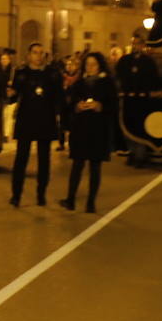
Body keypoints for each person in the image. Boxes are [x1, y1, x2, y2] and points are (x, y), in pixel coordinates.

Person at [58, 53, 117, 213]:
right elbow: (68, 103)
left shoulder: (107, 84)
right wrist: (77, 106)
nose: (90, 67)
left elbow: (114, 106)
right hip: (81, 128)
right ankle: (70, 199)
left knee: (95, 166)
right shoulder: (79, 83)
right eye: (88, 64)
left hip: (98, 129)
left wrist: (100, 106)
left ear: (100, 66)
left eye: (94, 64)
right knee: (77, 165)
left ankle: (91, 202)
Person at [9, 42, 63, 208]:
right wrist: (10, 94)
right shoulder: (21, 72)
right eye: (35, 52)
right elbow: (13, 96)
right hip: (26, 119)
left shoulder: (52, 74)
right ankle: (16, 194)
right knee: (21, 158)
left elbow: (58, 96)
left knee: (44, 159)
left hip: (45, 119)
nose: (38, 56)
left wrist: (60, 115)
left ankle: (41, 194)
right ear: (29, 55)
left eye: (41, 53)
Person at [116, 36, 160, 166]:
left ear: (142, 45)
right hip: (128, 100)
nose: (135, 46)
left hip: (143, 100)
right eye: (133, 44)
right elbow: (119, 76)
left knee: (141, 127)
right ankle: (132, 152)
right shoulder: (124, 60)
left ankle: (141, 155)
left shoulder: (148, 61)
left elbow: (154, 79)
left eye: (138, 44)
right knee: (128, 126)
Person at [0, 48, 17, 156]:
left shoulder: (12, 71)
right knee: (1, 118)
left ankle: (5, 135)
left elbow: (16, 85)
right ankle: (1, 138)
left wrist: (12, 86)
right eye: (2, 59)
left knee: (7, 116)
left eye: (6, 59)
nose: (4, 61)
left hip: (9, 98)